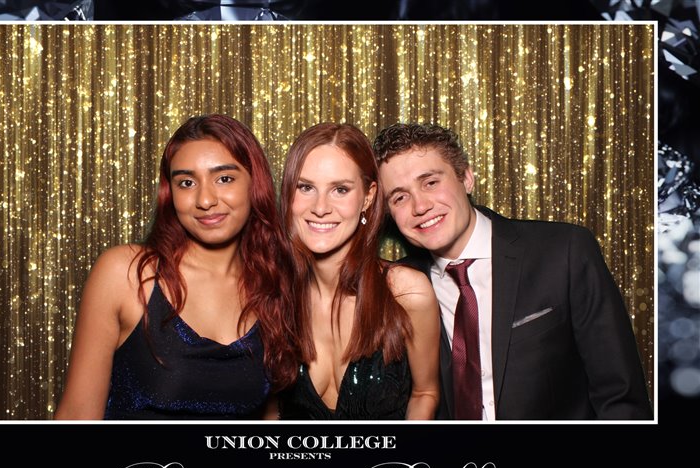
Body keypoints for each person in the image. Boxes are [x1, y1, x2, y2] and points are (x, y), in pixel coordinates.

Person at [373, 122, 654, 420]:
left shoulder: (564, 251)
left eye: (430, 182)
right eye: (400, 197)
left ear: (466, 178)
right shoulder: (397, 287)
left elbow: (620, 396)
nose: (420, 206)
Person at [55, 114, 296, 420]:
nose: (205, 200)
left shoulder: (275, 285)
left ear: (255, 184)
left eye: (224, 179)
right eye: (186, 183)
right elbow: (76, 416)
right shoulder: (126, 274)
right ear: (171, 194)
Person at [274, 123, 440, 420]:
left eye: (340, 190)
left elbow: (425, 393)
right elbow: (270, 411)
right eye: (305, 187)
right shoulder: (273, 293)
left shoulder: (406, 292)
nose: (320, 207)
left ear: (368, 197)